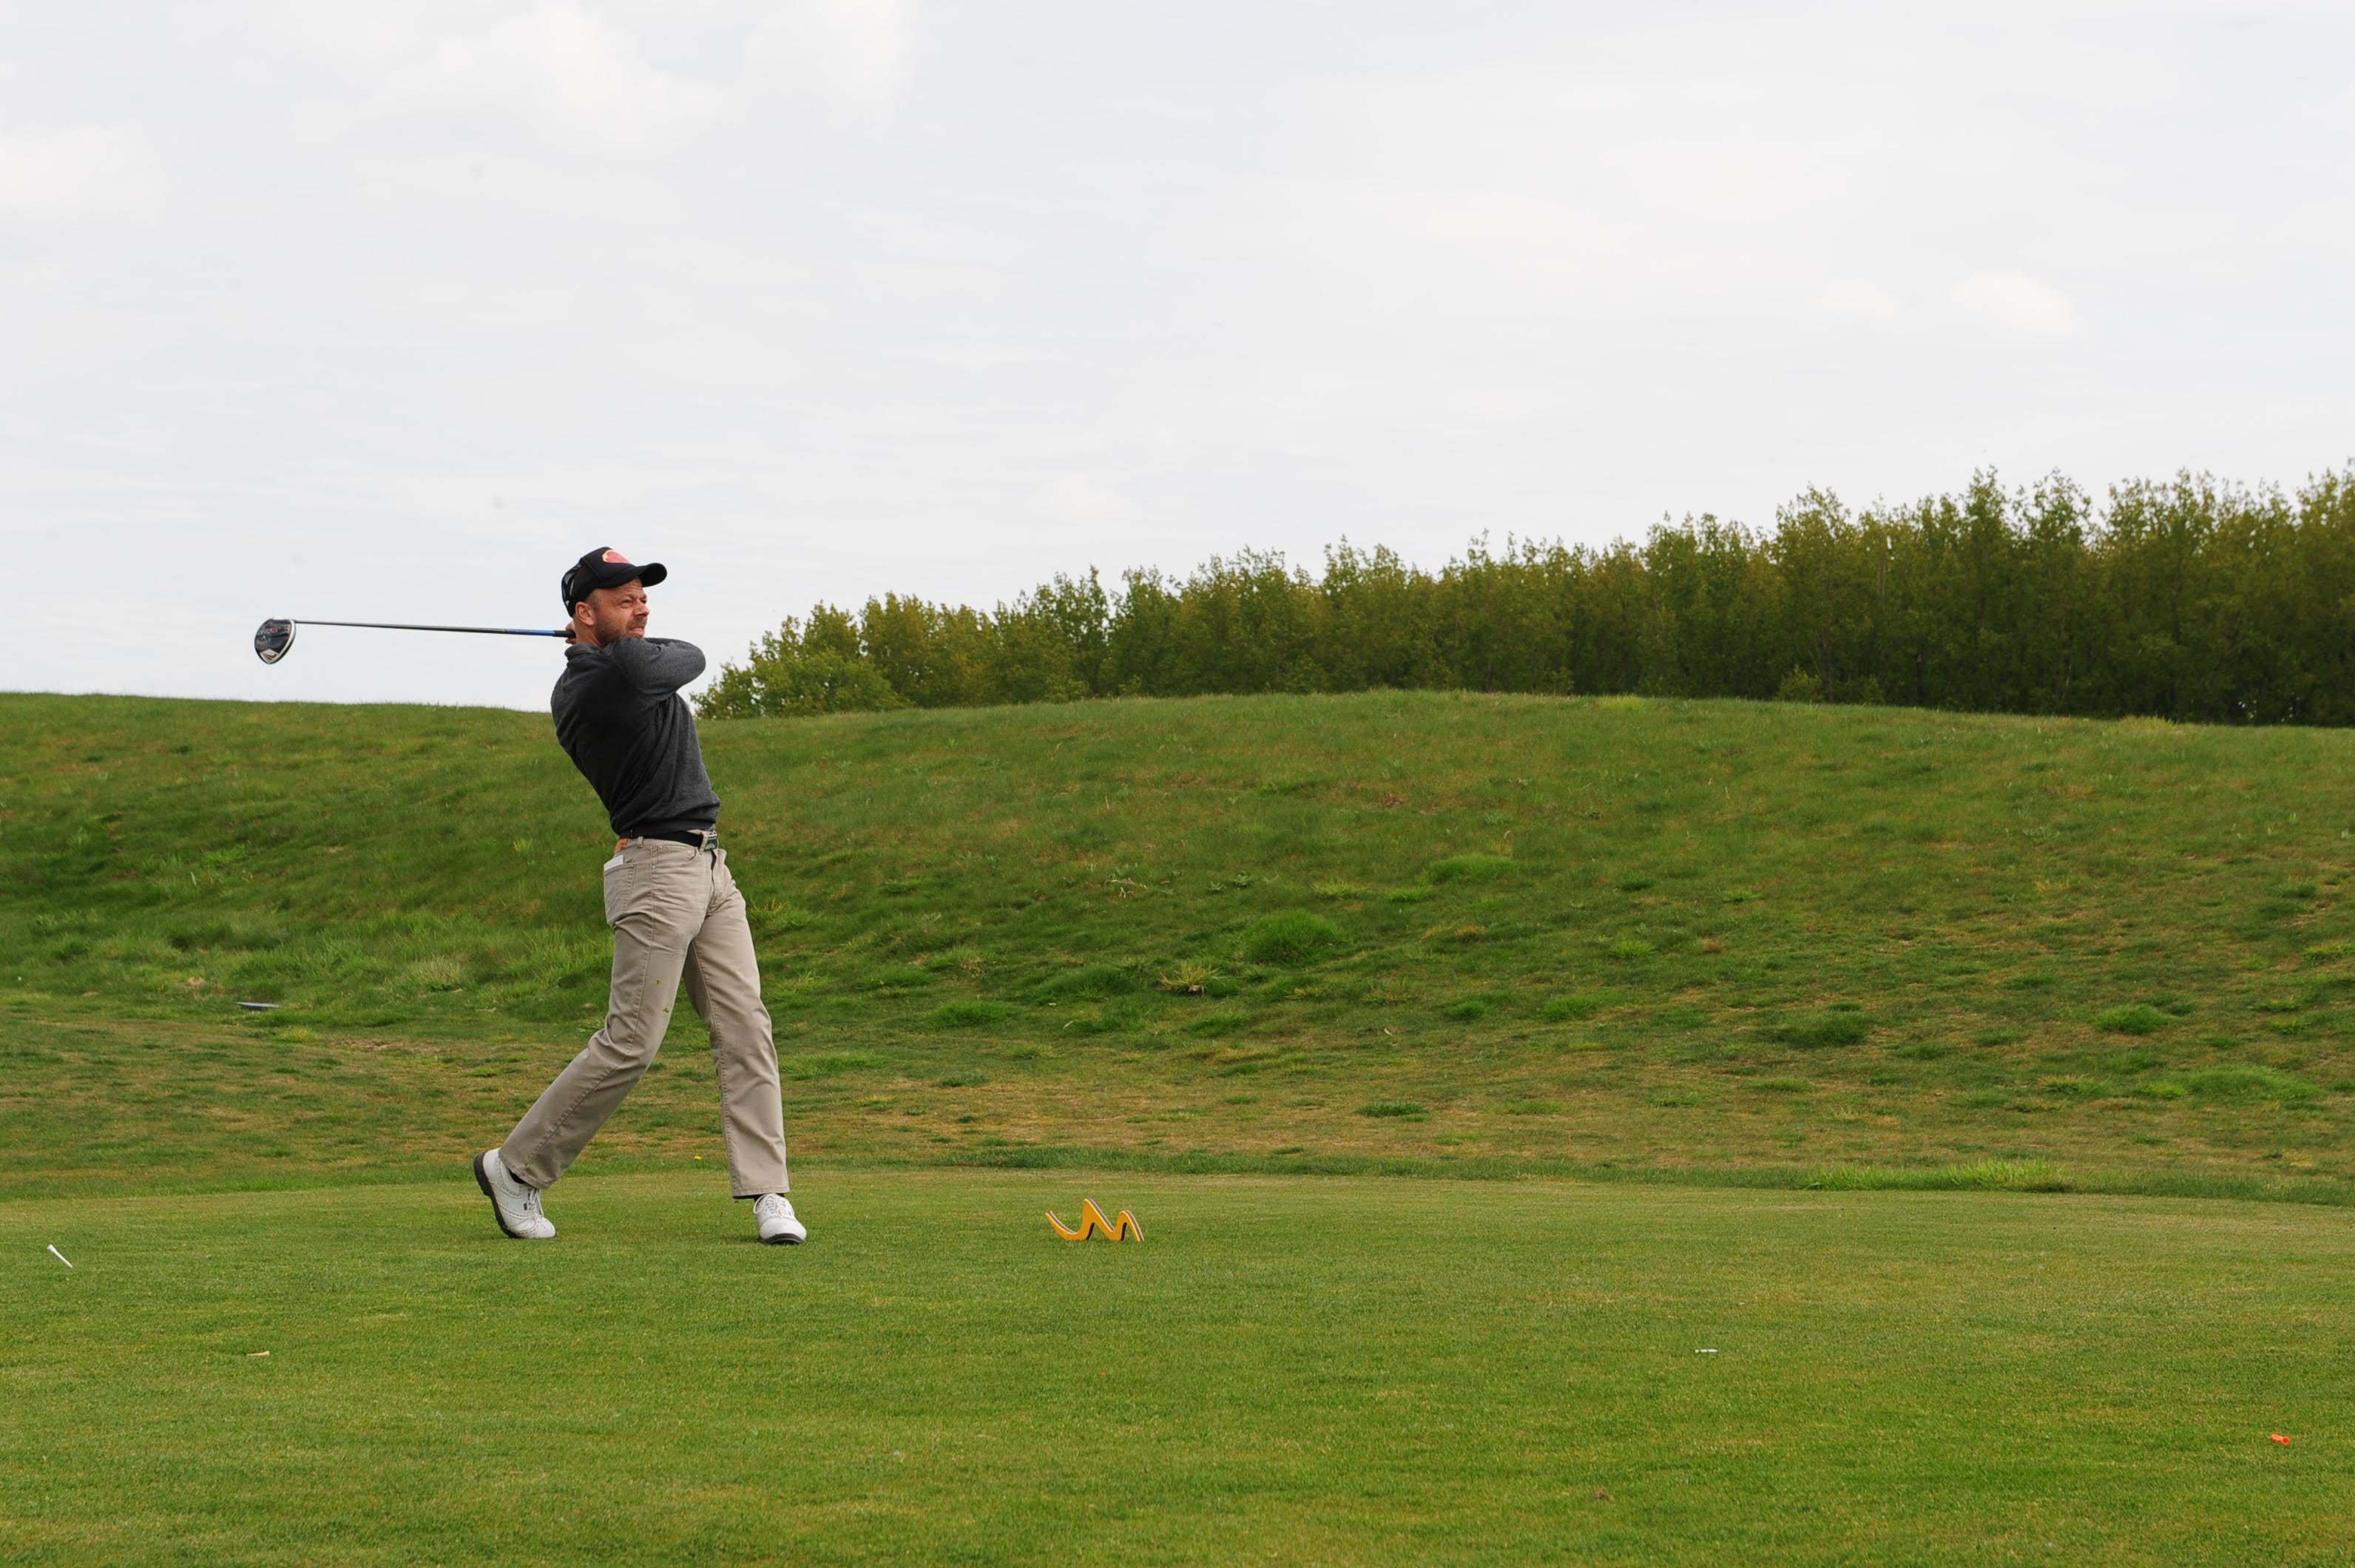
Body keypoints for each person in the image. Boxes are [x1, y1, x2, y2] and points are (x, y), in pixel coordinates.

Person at [474, 547, 805, 1245]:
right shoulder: (590, 686)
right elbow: (681, 661)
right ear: (583, 612)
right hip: (656, 871)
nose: (642, 609)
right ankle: (516, 1167)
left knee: (746, 1028)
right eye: (623, 600)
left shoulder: (624, 663)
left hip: (709, 867)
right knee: (631, 1041)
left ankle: (769, 1192)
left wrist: (612, 633)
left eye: (643, 597)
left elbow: (683, 656)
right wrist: (606, 644)